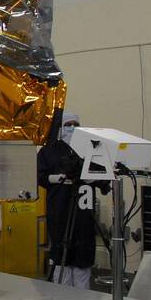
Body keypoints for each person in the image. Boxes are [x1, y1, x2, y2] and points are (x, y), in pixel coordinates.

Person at [37, 111, 98, 289]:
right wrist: (55, 178)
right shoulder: (49, 151)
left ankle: (83, 299)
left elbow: (102, 175)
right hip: (60, 209)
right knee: (61, 253)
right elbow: (39, 175)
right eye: (68, 125)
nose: (72, 128)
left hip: (84, 214)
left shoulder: (89, 150)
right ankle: (61, 299)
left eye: (75, 125)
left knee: (83, 258)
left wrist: (93, 177)